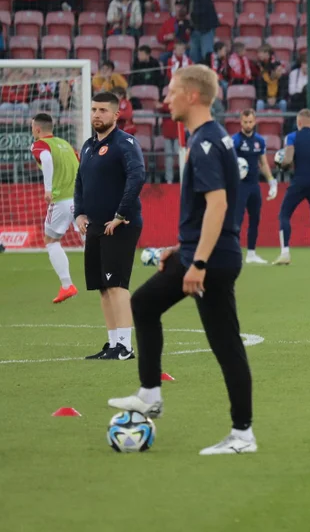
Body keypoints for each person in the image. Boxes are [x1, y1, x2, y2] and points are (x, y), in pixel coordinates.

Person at [107, 65, 256, 455]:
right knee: (143, 304)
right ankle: (150, 393)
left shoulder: (207, 143)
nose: (165, 98)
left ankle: (242, 435)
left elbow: (218, 205)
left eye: (172, 91)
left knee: (225, 346)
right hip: (200, 252)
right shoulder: (211, 138)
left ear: (192, 96)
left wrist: (199, 263)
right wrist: (182, 248)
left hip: (212, 260)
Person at [73, 92, 146, 360]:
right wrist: (79, 213)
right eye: (94, 109)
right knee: (102, 287)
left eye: (103, 110)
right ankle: (113, 343)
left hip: (120, 224)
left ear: (116, 115)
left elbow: (137, 176)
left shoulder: (125, 143)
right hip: (94, 226)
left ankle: (126, 347)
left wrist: (120, 214)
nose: (96, 115)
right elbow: (80, 181)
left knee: (116, 285)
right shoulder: (88, 146)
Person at [30, 113, 80, 304]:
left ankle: (67, 285)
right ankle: (107, 275)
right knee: (90, 239)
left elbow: (47, 160)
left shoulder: (40, 145)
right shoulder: (65, 144)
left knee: (51, 240)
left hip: (61, 200)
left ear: (37, 129)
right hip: (80, 198)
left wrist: (48, 189)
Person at [274, 109, 310, 265]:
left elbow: (288, 159)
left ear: (298, 123)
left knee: (284, 214)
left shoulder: (292, 137)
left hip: (300, 180)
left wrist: (281, 164)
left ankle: (285, 252)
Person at [233, 109, 279, 265]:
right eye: (245, 122)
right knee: (236, 220)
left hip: (254, 185)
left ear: (255, 121)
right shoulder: (235, 141)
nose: (248, 124)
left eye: (250, 121)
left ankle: (251, 253)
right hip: (240, 186)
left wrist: (271, 181)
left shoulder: (259, 140)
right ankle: (234, 252)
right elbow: (228, 162)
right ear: (241, 122)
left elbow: (263, 163)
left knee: (255, 219)